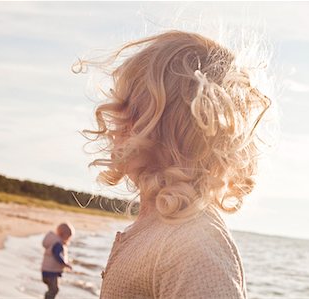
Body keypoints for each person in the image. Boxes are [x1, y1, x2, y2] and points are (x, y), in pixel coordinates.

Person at [74, 30, 271, 298]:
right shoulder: (159, 231)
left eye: (127, 107)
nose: (111, 118)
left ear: (167, 130)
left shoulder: (192, 244)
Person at [41, 223, 74, 299]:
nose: (69, 239)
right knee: (54, 289)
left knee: (53, 289)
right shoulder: (58, 244)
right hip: (51, 273)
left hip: (45, 271)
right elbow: (57, 254)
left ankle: (47, 296)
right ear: (63, 234)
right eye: (68, 237)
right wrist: (65, 263)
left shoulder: (53, 241)